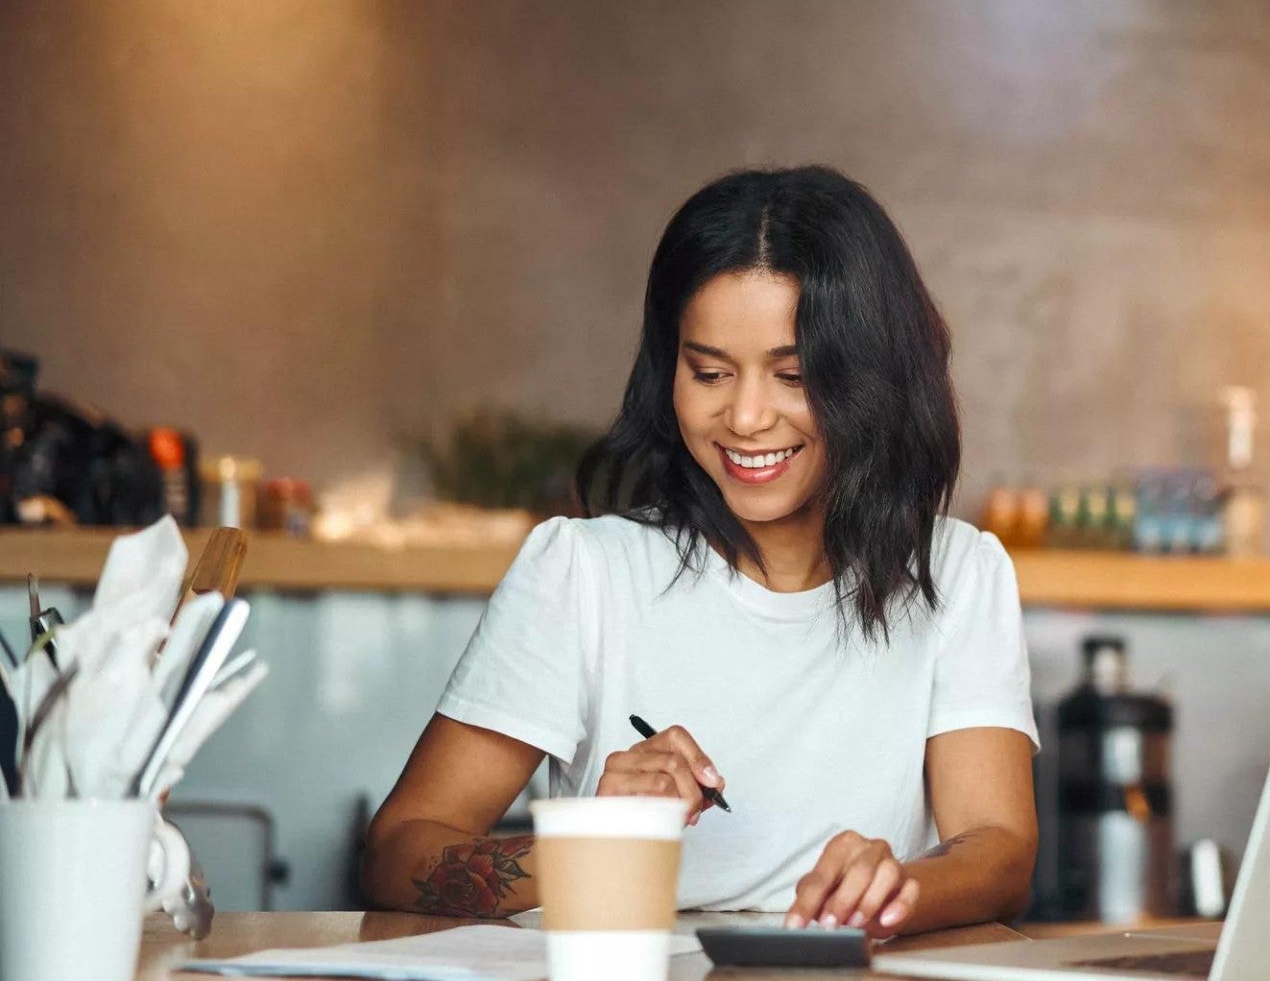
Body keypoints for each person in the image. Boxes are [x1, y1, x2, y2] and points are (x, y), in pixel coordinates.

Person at [362, 166, 1038, 938]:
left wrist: (897, 890)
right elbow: (395, 853)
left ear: (874, 378)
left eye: (794, 375)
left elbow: (1001, 850)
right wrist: (597, 843)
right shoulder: (583, 571)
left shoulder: (955, 574)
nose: (745, 417)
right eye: (709, 372)